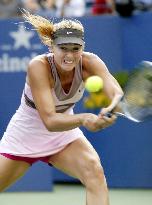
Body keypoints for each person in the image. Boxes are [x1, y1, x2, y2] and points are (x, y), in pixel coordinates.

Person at [0, 10, 123, 205]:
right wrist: (84, 119)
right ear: (51, 46)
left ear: (83, 48)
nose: (69, 55)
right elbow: (50, 120)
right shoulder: (38, 66)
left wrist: (113, 106)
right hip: (26, 133)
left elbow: (115, 92)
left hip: (64, 134)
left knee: (94, 170)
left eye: (76, 48)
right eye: (63, 48)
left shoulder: (91, 62)